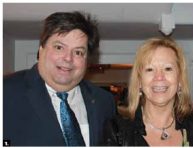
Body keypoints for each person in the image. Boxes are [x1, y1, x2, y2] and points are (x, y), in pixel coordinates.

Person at [3, 11, 116, 146]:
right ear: (41, 49)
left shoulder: (103, 101)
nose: (68, 58)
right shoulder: (6, 92)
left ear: (87, 60)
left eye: (78, 52)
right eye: (59, 47)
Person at [101, 37, 193, 146]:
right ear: (140, 82)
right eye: (150, 69)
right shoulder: (117, 131)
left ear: (180, 80)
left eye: (168, 68)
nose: (159, 77)